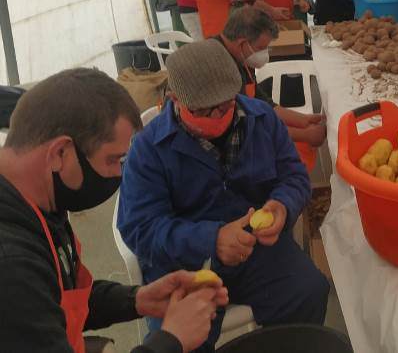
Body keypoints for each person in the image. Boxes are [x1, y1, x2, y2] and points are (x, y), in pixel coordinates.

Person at [117, 40, 329, 353]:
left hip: (256, 250)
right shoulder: (148, 149)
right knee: (179, 342)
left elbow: (294, 176)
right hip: (186, 265)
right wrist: (210, 239)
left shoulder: (261, 119)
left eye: (226, 104)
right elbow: (140, 228)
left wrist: (282, 205)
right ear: (175, 100)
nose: (219, 116)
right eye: (204, 110)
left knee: (308, 290)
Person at [0, 68, 228, 353]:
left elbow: (54, 299)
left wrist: (137, 299)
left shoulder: (37, 202)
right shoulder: (11, 265)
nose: (119, 172)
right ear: (60, 153)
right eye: (113, 159)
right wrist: (171, 340)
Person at [213, 5, 327, 172]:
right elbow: (246, 127)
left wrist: (303, 120)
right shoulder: (220, 68)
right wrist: (305, 135)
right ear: (243, 43)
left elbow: (260, 100)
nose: (265, 54)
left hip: (248, 128)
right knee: (292, 160)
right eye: (261, 48)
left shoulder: (240, 55)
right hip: (227, 148)